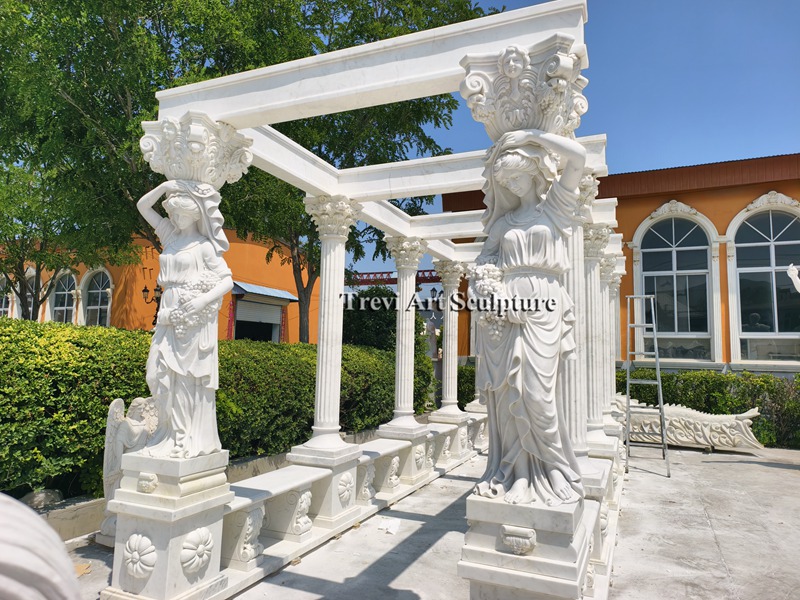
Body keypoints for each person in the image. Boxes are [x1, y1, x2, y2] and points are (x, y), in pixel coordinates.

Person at [471, 128, 585, 506]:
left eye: (516, 177)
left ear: (534, 171)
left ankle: (554, 468)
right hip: (505, 310)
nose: (512, 185)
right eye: (506, 181)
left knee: (538, 393)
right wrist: (493, 291)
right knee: (508, 393)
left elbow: (578, 158)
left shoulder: (554, 209)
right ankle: (518, 473)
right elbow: (484, 262)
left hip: (544, 304)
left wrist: (532, 135)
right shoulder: (502, 224)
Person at [136, 180, 233, 458]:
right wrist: (166, 186)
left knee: (185, 381)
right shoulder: (170, 237)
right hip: (168, 312)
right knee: (156, 374)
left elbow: (226, 280)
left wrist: (202, 301)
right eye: (172, 213)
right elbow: (143, 206)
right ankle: (166, 432)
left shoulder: (204, 247)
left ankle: (182, 439)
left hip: (191, 316)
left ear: (194, 215)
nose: (175, 219)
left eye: (180, 214)